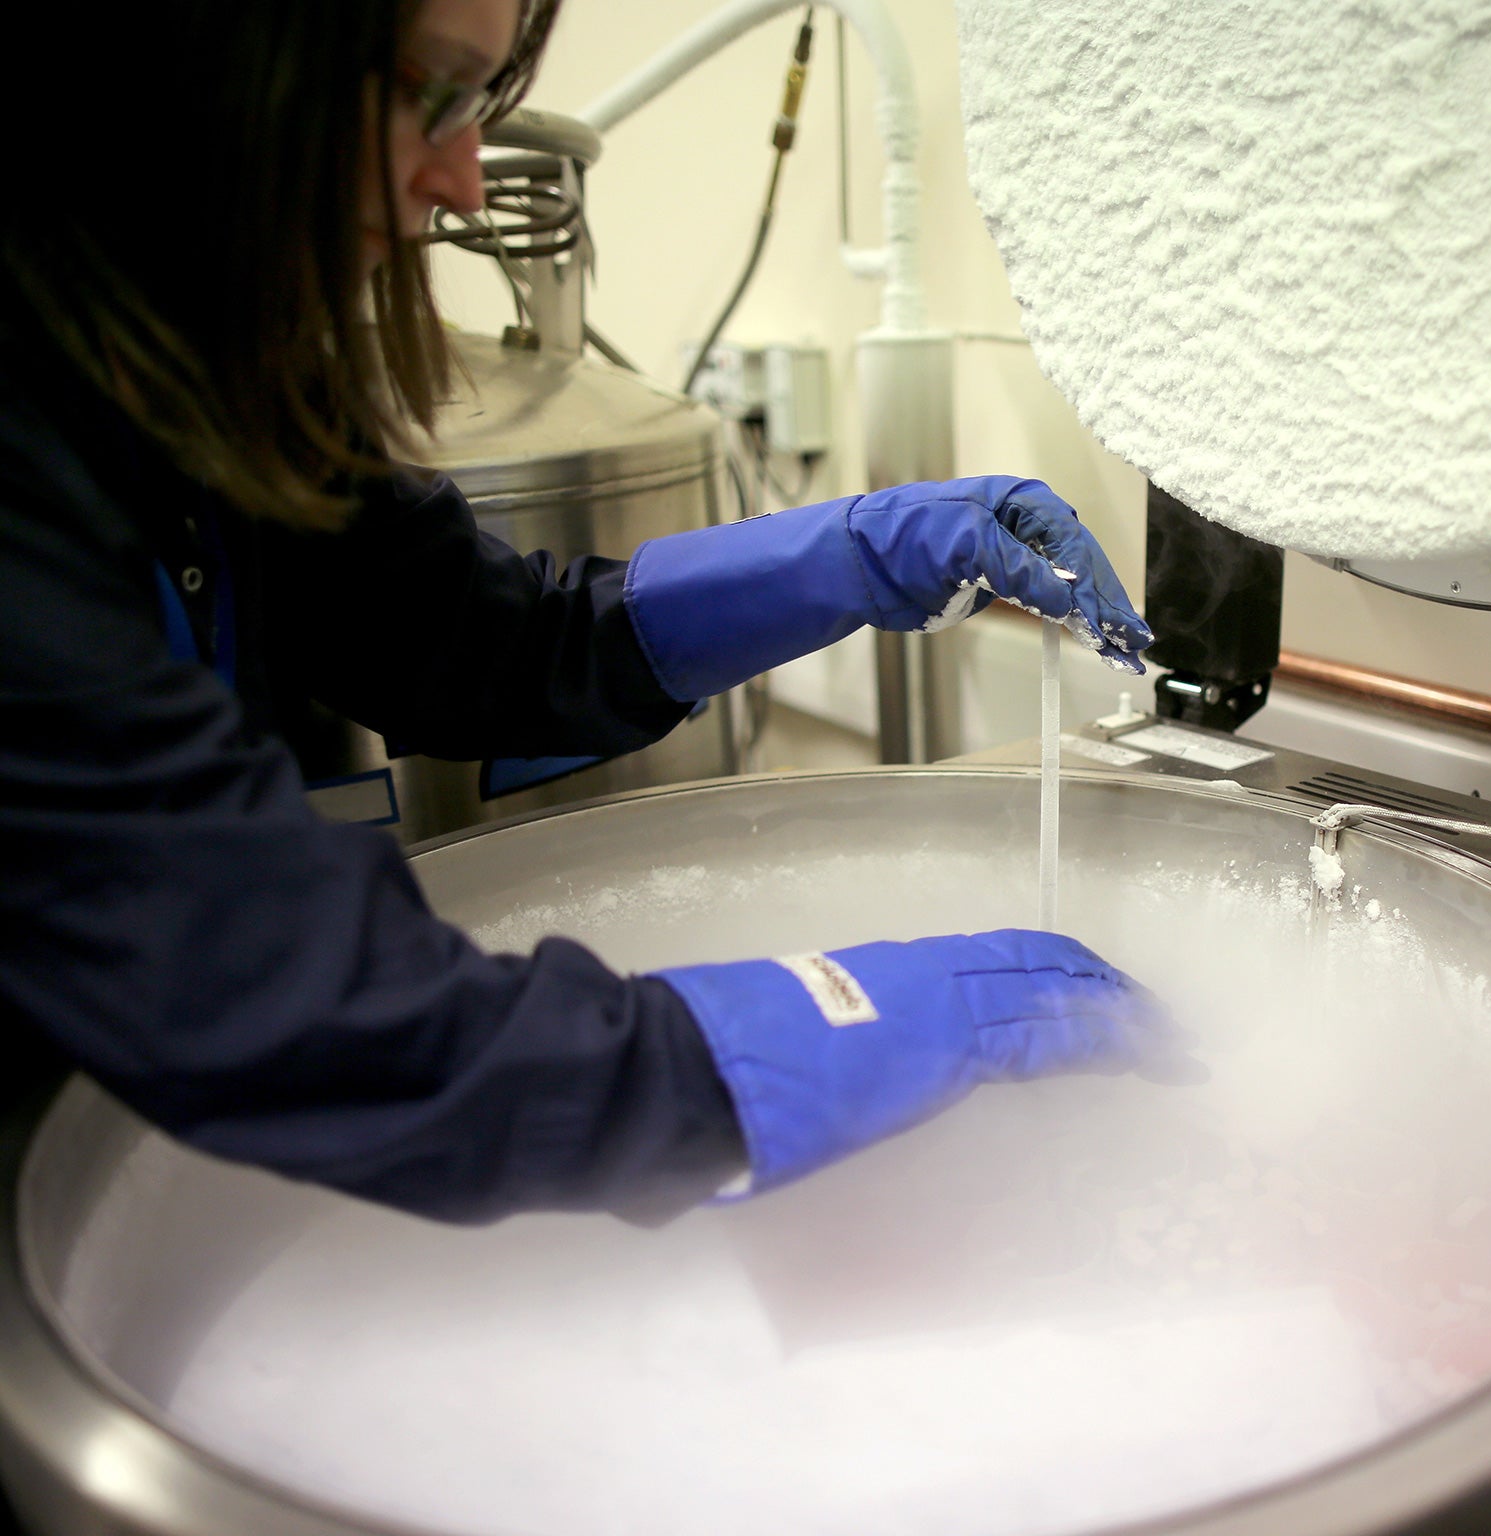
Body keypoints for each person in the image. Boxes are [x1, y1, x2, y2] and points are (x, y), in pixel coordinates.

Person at [0, 0, 1179, 1226]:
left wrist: (863, 551)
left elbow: (485, 647)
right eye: (430, 94)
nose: (460, 182)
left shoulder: (215, 374)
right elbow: (303, 1010)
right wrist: (839, 1023)